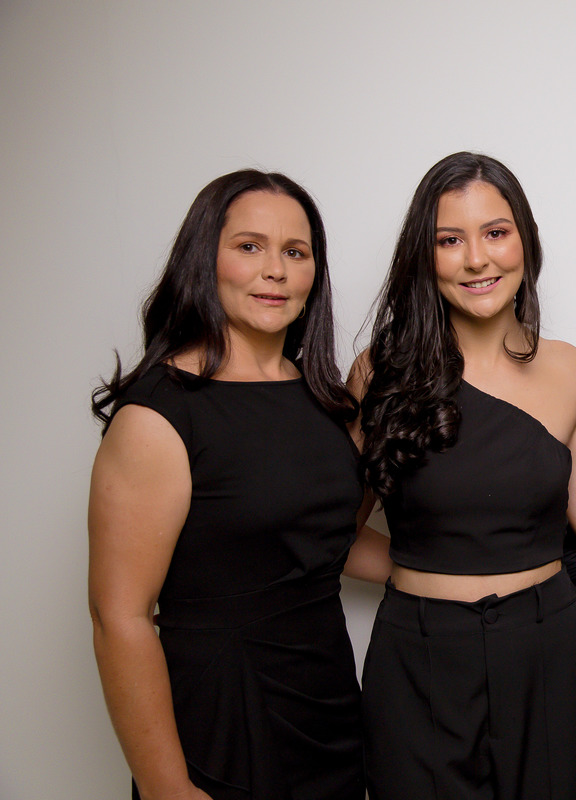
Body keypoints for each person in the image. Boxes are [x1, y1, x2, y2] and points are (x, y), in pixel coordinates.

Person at [88, 169, 390, 800]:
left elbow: (321, 544)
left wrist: (462, 563)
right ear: (204, 259)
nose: (275, 270)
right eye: (250, 246)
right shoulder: (159, 415)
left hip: (328, 704)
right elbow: (120, 617)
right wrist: (168, 788)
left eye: (295, 252)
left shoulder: (322, 398)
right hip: (222, 716)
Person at [353, 152, 576, 800]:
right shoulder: (379, 371)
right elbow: (331, 532)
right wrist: (427, 573)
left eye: (496, 232)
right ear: (424, 256)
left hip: (548, 651)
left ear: (525, 240)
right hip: (417, 656)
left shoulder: (570, 368)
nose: (477, 259)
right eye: (450, 240)